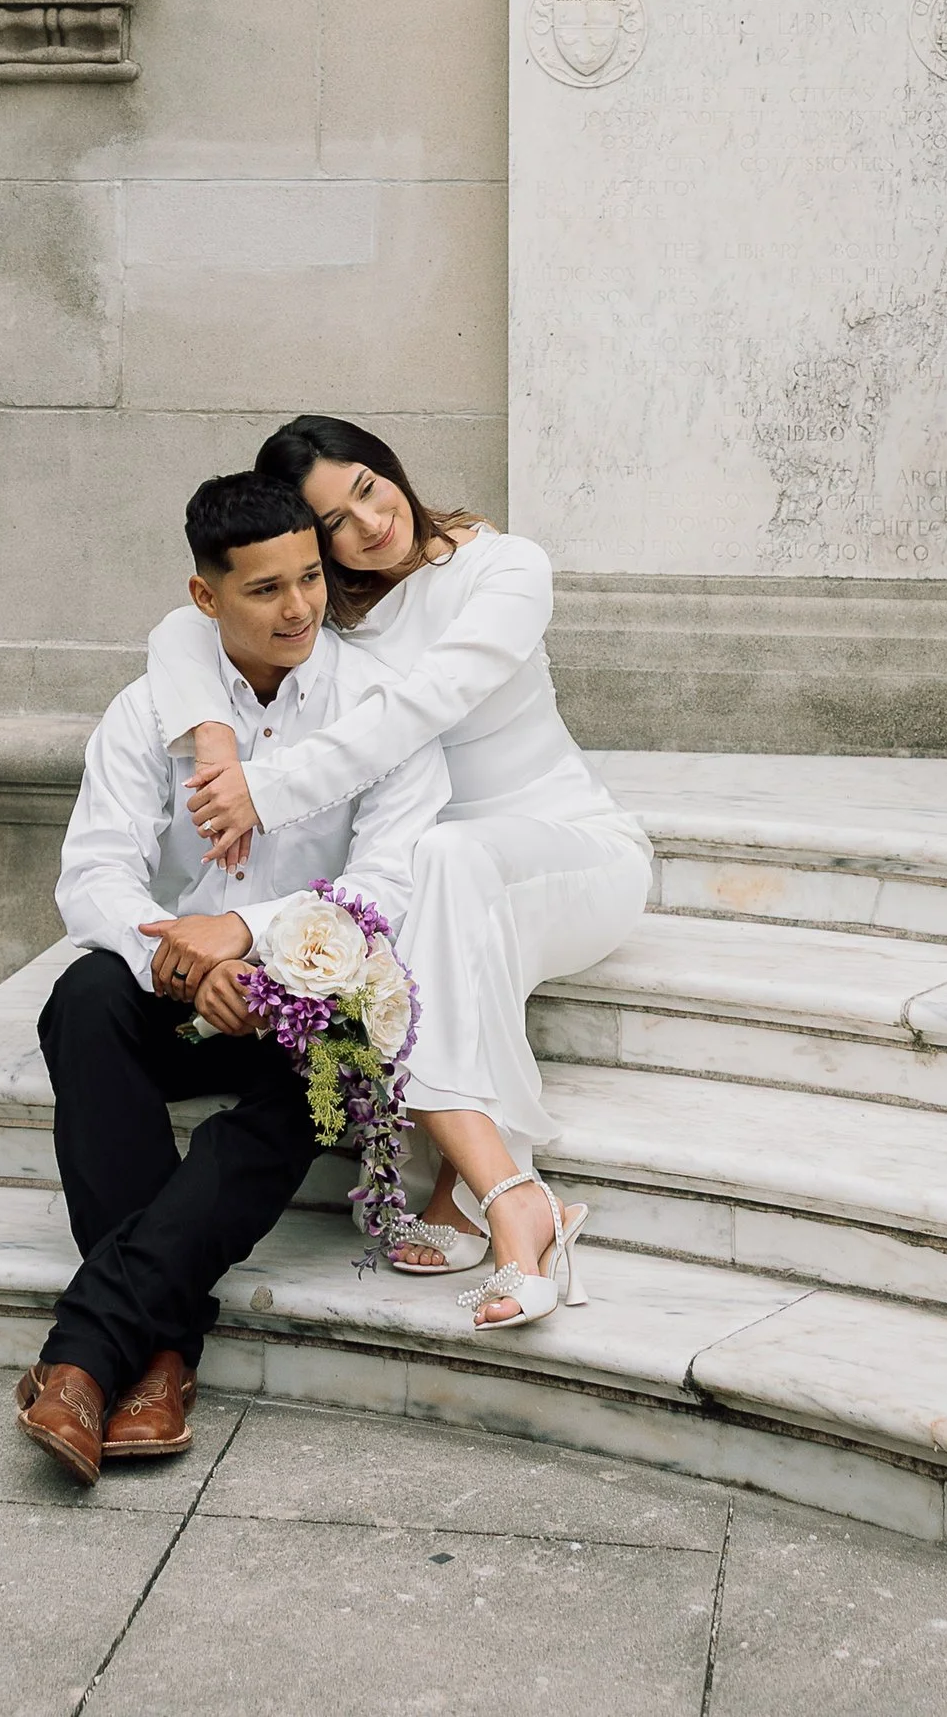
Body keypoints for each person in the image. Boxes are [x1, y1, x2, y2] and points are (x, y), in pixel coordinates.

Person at [148, 416, 650, 1332]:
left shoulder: (506, 568)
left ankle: (487, 1190)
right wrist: (216, 734)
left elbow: (425, 704)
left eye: (370, 486)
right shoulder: (336, 619)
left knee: (448, 857)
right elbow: (183, 631)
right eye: (333, 521)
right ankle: (501, 1194)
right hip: (442, 875)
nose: (369, 524)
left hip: (572, 853)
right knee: (438, 862)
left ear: (393, 470)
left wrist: (266, 786)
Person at [16, 469, 448, 1489]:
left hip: (313, 992)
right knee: (82, 1001)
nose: (297, 607)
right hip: (177, 985)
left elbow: (384, 881)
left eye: (308, 579)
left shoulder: (378, 707)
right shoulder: (144, 713)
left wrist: (243, 940)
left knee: (324, 1076)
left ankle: (89, 1353)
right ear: (204, 597)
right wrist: (177, 961)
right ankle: (160, 1353)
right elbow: (92, 874)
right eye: (264, 590)